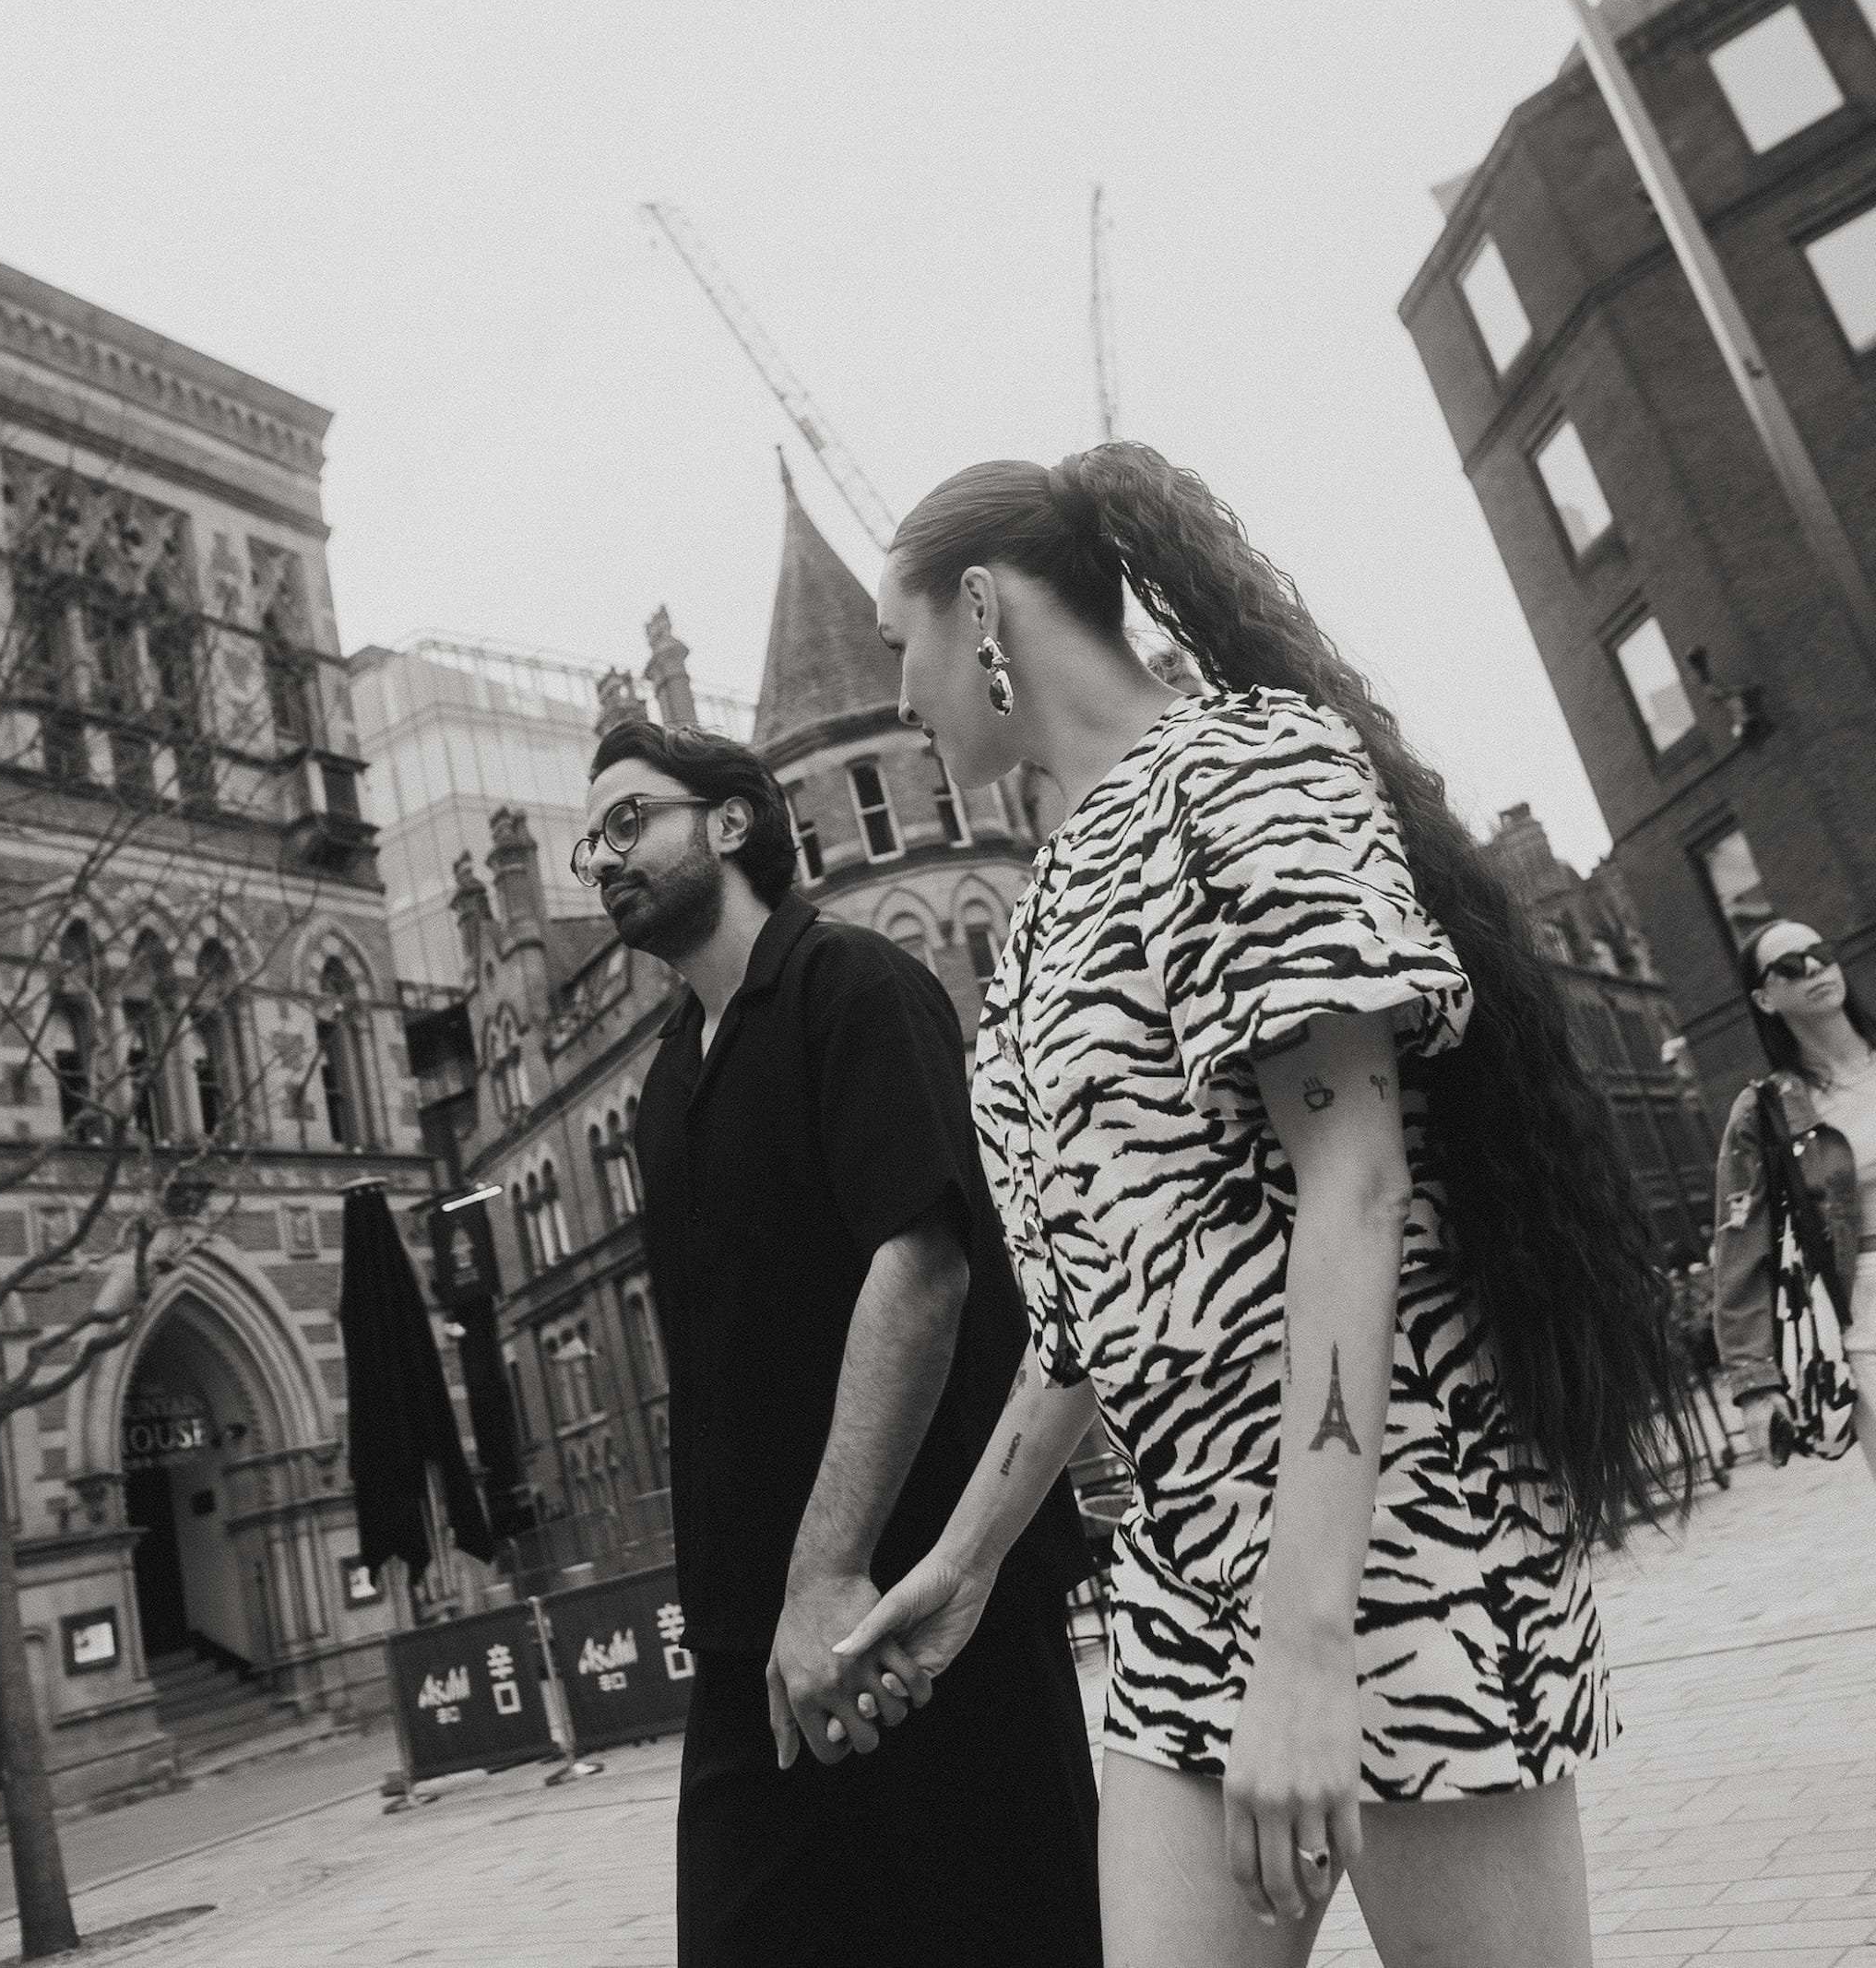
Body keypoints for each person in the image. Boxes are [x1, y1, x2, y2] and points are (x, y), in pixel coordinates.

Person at [837, 443, 1694, 1968]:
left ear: (978, 610)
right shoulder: (1036, 908)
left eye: (898, 640)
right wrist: (964, 1564)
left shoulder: (1242, 769)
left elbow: (1353, 1178)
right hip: (1182, 1576)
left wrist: (1309, 1638)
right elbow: (1080, 1315)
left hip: (1397, 1534)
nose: (898, 691)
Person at [576, 715, 1100, 1968]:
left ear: (734, 820)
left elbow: (921, 1266)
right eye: (589, 839)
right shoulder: (663, 1083)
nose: (601, 855)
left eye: (628, 818)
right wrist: (764, 1612)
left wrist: (828, 1578)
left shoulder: (854, 986)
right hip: (751, 1653)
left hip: (923, 1621)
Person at [1713, 917, 1876, 1482]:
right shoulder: (1767, 1110)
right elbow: (1739, 1249)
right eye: (1787, 967)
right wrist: (1754, 1384)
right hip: (1866, 1313)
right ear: (1765, 998)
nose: (1812, 968)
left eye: (1820, 952)